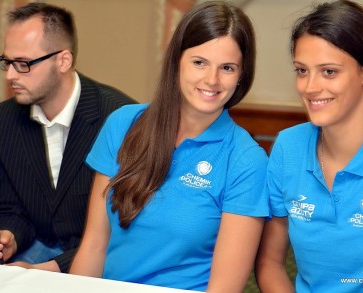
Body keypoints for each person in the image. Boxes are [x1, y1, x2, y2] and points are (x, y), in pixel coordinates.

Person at [69, 1, 268, 292]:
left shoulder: (247, 160)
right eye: (199, 62)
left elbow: (224, 288)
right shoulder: (123, 124)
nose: (211, 80)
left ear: (241, 75)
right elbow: (94, 245)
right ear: (177, 61)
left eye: (227, 67)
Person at [255, 1, 363, 292]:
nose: (310, 87)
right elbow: (270, 263)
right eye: (302, 70)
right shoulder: (288, 147)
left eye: (329, 71)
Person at [0, 2, 135, 272]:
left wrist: (53, 268)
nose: (10, 75)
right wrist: (9, 236)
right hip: (32, 248)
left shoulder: (120, 120)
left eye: (23, 64)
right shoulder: (1, 122)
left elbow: (127, 229)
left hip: (104, 259)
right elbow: (12, 209)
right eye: (7, 62)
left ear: (63, 61)